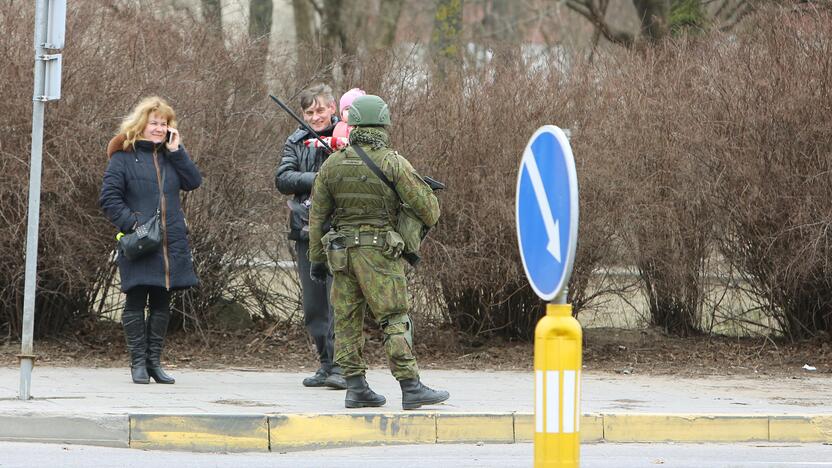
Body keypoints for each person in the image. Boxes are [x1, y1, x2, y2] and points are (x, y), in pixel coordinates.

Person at [307, 94, 450, 409]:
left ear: (352, 123)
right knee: (394, 318)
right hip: (380, 255)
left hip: (341, 255)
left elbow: (317, 217)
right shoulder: (392, 161)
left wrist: (317, 260)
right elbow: (430, 210)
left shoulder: (333, 164)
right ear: (384, 124)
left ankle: (355, 387)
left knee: (345, 319)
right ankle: (410, 387)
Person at [99, 96, 202, 385]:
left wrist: (177, 150)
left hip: (170, 244)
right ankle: (137, 365)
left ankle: (154, 363)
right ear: (141, 124)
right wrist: (135, 224)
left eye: (164, 123)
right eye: (153, 122)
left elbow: (193, 182)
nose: (158, 128)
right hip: (139, 242)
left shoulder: (172, 157)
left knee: (161, 302)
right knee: (135, 299)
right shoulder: (122, 157)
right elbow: (108, 199)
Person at [275, 84, 347, 390]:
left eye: (320, 110)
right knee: (314, 305)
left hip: (340, 232)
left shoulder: (347, 137)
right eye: (309, 112)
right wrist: (318, 179)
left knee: (339, 301)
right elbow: (283, 178)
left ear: (332, 108)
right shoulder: (297, 141)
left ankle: (344, 366)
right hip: (306, 232)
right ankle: (325, 364)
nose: (315, 117)